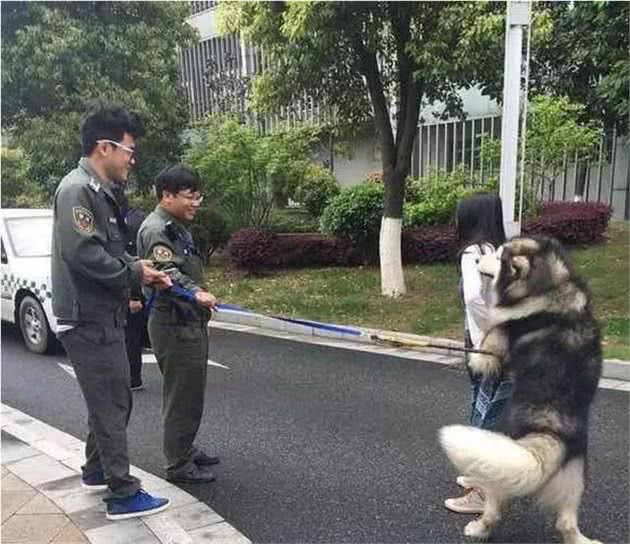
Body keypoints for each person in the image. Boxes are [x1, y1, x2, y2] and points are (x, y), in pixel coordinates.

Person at [51, 102, 172, 521]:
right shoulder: (76, 190)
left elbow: (109, 250)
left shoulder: (98, 191)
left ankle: (96, 468)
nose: (131, 159)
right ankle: (122, 493)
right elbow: (84, 254)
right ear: (104, 147)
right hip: (88, 317)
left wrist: (137, 276)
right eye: (128, 150)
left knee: (109, 397)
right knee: (112, 404)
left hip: (103, 311)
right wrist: (135, 272)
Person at [137, 164, 220, 484]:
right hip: (173, 324)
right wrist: (198, 293)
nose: (196, 202)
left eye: (199, 195)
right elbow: (166, 273)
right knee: (181, 396)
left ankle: (185, 448)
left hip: (187, 322)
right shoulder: (156, 229)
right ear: (166, 196)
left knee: (191, 393)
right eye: (190, 196)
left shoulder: (175, 223)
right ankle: (178, 464)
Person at [444, 193, 514, 514]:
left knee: (487, 416)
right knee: (488, 407)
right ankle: (480, 478)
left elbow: (474, 298)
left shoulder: (472, 252)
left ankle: (483, 494)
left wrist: (489, 328)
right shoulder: (500, 251)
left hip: (486, 346)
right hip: (505, 346)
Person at [111, 184, 148, 391]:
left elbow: (132, 259)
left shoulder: (126, 223)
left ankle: (133, 378)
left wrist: (134, 296)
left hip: (131, 285)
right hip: (140, 281)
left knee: (130, 336)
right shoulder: (137, 217)